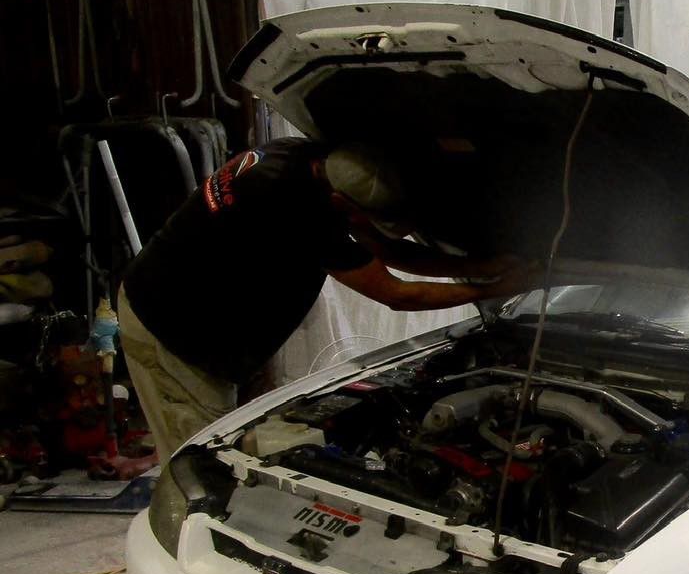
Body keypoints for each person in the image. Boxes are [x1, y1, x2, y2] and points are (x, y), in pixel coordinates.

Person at [118, 139, 532, 459]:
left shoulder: (316, 160)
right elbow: (396, 293)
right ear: (339, 204)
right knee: (200, 462)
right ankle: (187, 562)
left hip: (216, 326)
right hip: (169, 331)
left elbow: (388, 253)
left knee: (240, 444)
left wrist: (486, 266)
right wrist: (493, 288)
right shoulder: (295, 205)